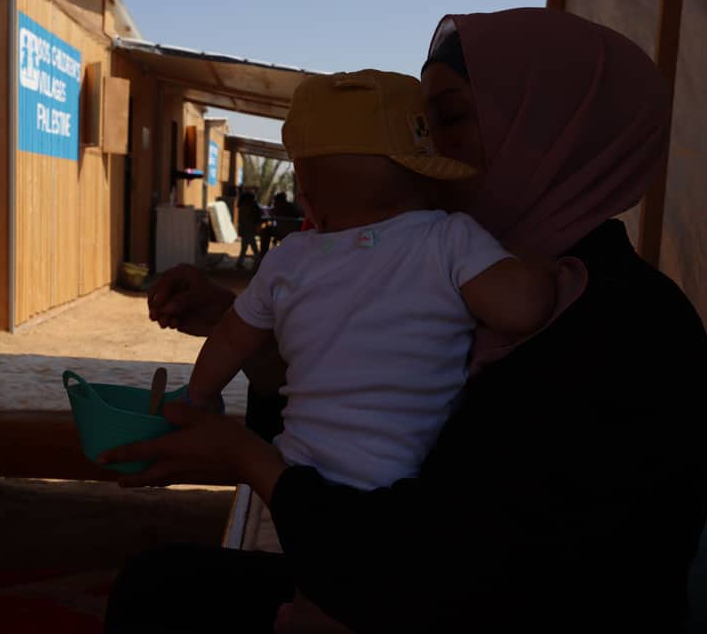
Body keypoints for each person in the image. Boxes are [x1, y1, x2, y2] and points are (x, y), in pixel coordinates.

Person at [101, 8, 707, 633]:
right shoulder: (464, 271)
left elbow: (440, 563)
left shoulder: (625, 328)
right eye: (417, 126)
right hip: (400, 573)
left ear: (551, 135)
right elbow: (357, 421)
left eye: (447, 120)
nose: (419, 150)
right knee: (161, 588)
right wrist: (247, 329)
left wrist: (245, 458)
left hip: (486, 606)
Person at [185, 69, 556, 496]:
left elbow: (230, 338)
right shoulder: (450, 238)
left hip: (293, 474)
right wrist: (541, 269)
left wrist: (201, 398)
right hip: (400, 487)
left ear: (307, 195)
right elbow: (522, 310)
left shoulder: (288, 258)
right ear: (426, 178)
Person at [237, 190, 263, 269]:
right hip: (248, 229)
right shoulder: (250, 207)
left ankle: (241, 262)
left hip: (246, 229)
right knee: (252, 247)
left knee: (245, 247)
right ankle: (258, 263)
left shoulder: (243, 206)